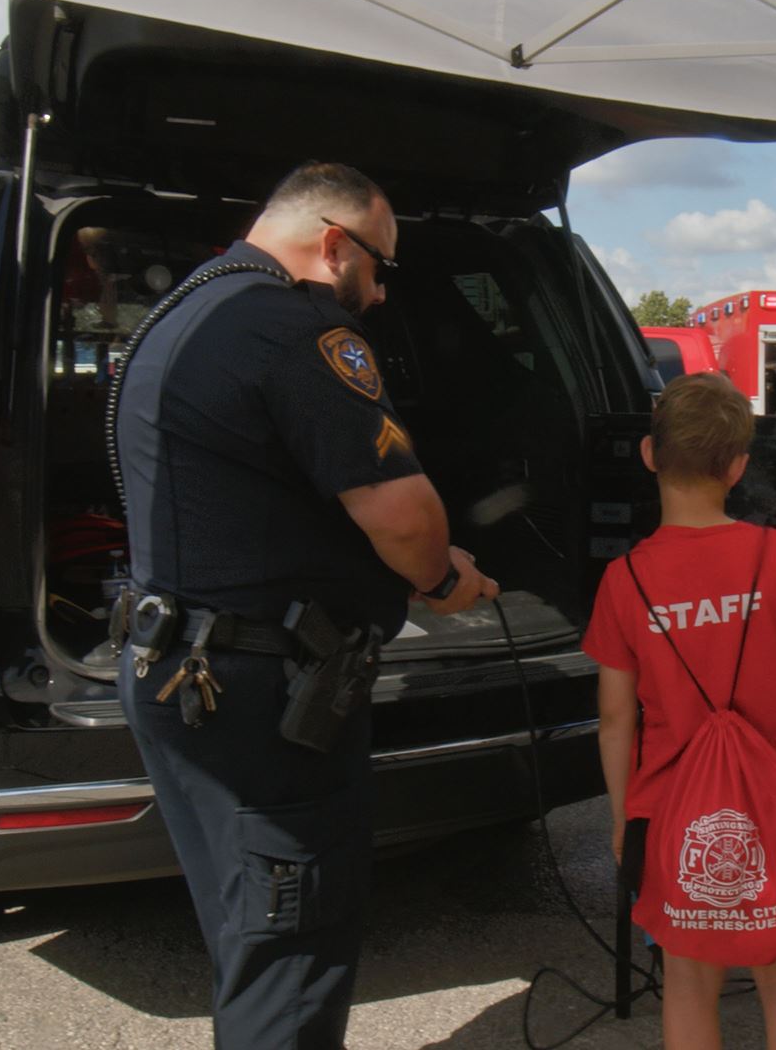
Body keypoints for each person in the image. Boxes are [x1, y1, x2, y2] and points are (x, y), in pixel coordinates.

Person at [113, 161, 498, 1048]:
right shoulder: (297, 329)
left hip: (178, 667)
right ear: (334, 243)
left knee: (250, 932)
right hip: (264, 697)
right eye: (381, 264)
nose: (381, 291)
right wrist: (442, 580)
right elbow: (404, 516)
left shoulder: (186, 310)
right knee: (291, 945)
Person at [581, 373, 776, 1050]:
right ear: (737, 467)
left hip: (665, 808)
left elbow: (616, 717)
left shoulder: (624, 579)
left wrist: (622, 816)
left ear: (649, 455)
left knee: (690, 983)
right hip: (769, 800)